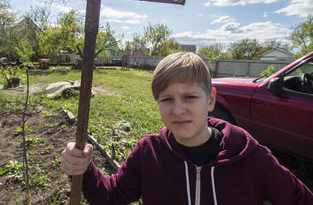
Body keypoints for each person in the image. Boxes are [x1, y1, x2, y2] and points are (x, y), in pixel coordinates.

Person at [61, 52, 313, 205]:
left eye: (190, 97)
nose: (178, 110)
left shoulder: (251, 157)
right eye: (166, 99)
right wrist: (82, 168)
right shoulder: (149, 153)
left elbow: (299, 199)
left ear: (211, 99)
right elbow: (109, 198)